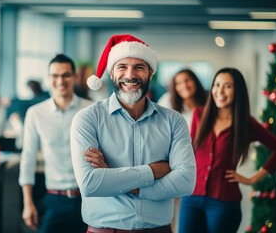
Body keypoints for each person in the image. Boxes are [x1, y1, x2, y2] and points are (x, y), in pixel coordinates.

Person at [70, 34, 196, 233]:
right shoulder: (87, 119)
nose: (130, 75)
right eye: (122, 67)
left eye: (139, 67)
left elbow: (186, 182)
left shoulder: (174, 121)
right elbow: (90, 184)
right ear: (111, 73)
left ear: (150, 73)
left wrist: (112, 176)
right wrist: (153, 171)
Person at [178, 68, 276, 233]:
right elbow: (190, 152)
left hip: (224, 202)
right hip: (191, 198)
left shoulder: (246, 124)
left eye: (227, 86)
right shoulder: (199, 115)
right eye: (217, 85)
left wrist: (252, 179)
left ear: (238, 91)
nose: (220, 91)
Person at [19, 54, 92, 233]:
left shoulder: (92, 109)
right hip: (54, 198)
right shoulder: (35, 113)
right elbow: (27, 158)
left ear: (74, 77)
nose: (61, 80)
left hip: (91, 198)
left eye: (66, 75)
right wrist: (28, 203)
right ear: (48, 78)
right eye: (55, 75)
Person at [158, 68, 207, 232]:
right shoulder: (167, 101)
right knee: (171, 208)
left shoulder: (208, 104)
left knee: (189, 208)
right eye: (178, 83)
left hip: (200, 162)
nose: (183, 85)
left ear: (195, 81)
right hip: (173, 161)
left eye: (187, 80)